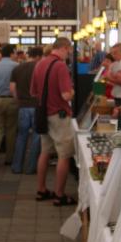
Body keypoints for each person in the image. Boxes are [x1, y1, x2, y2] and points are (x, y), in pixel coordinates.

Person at [30, 37, 76, 206]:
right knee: (64, 155)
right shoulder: (60, 66)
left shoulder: (40, 64)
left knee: (45, 152)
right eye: (69, 51)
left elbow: (34, 92)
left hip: (44, 114)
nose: (69, 55)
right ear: (64, 48)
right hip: (59, 115)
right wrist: (72, 91)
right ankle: (59, 194)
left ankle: (41, 190)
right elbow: (66, 95)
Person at [10, 46, 43, 174]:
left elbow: (12, 88)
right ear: (39, 56)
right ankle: (31, 167)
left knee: (21, 136)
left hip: (23, 107)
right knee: (36, 136)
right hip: (37, 106)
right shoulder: (40, 68)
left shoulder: (17, 68)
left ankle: (17, 166)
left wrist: (18, 100)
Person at [0, 43, 19, 168]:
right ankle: (9, 158)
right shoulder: (16, 66)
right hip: (12, 100)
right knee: (11, 130)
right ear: (11, 53)